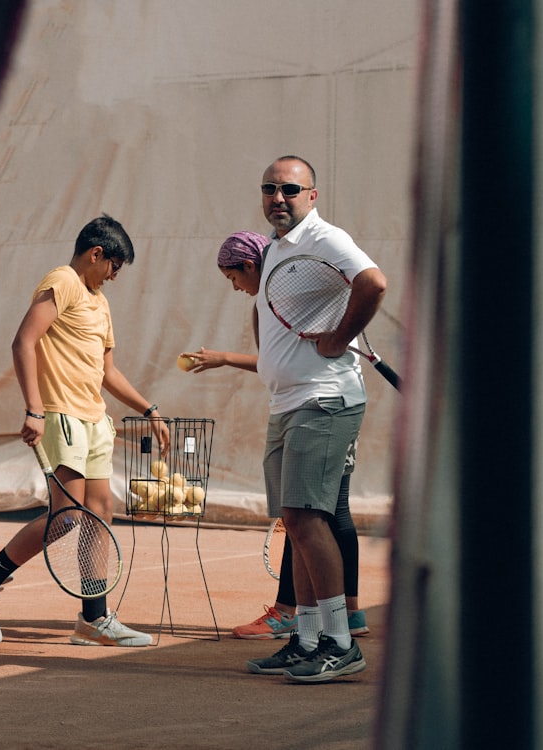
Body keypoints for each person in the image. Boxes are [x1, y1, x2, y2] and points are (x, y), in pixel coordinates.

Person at [0, 214, 170, 645]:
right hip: (62, 416)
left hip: (94, 420)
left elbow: (107, 371)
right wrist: (34, 408)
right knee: (68, 516)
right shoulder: (63, 281)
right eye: (114, 267)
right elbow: (24, 341)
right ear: (96, 254)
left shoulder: (100, 302)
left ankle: (93, 620)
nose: (114, 276)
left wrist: (150, 410)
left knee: (99, 514)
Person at [180, 231, 370, 641]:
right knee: (328, 511)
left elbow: (281, 358)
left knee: (303, 515)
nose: (234, 287)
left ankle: (303, 618)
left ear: (249, 266)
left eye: (233, 278)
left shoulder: (290, 293)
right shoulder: (275, 299)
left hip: (324, 407)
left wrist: (225, 358)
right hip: (315, 405)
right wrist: (226, 359)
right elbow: (276, 364)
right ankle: (342, 616)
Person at [239, 156, 386, 682]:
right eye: (270, 188)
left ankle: (340, 642)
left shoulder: (326, 239)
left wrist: (339, 338)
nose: (278, 197)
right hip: (287, 404)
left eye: (290, 189)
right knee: (295, 524)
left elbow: (372, 282)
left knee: (308, 519)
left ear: (312, 195)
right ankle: (304, 639)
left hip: (324, 400)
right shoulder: (277, 247)